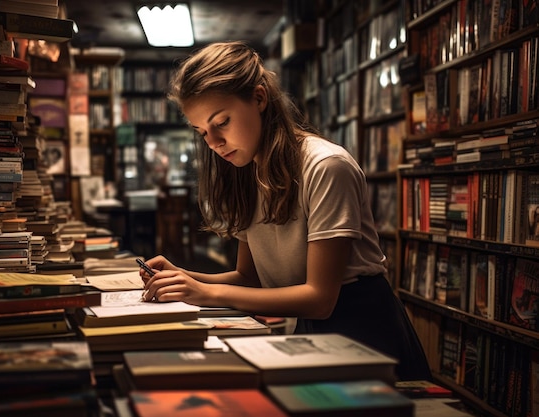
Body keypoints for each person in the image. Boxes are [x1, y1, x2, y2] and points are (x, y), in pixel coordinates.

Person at [140, 41, 431, 381]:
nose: (213, 142)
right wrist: (186, 278)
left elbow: (320, 297)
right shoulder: (246, 171)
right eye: (202, 132)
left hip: (362, 328)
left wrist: (205, 292)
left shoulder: (325, 166)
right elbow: (250, 279)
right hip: (310, 328)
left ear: (259, 98)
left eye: (222, 122)